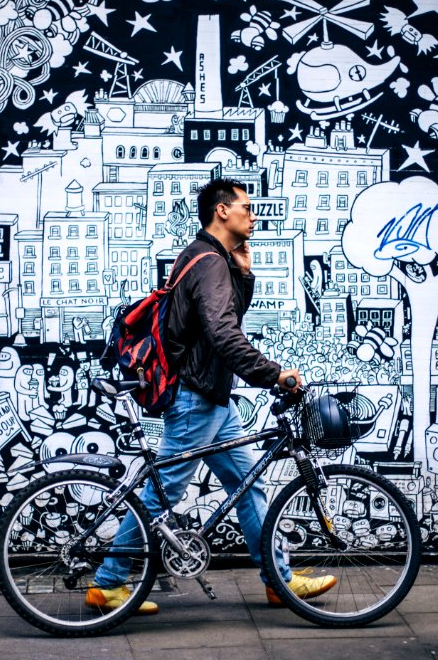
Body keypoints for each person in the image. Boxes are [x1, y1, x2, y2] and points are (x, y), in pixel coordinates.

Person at [86, 179, 337, 615]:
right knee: (162, 494)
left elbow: (224, 318)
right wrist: (274, 374)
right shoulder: (208, 262)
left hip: (211, 397)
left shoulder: (209, 258)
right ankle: (108, 583)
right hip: (196, 397)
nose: (252, 214)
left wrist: (243, 271)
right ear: (222, 211)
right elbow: (225, 334)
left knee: (247, 482)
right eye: (245, 206)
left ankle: (278, 579)